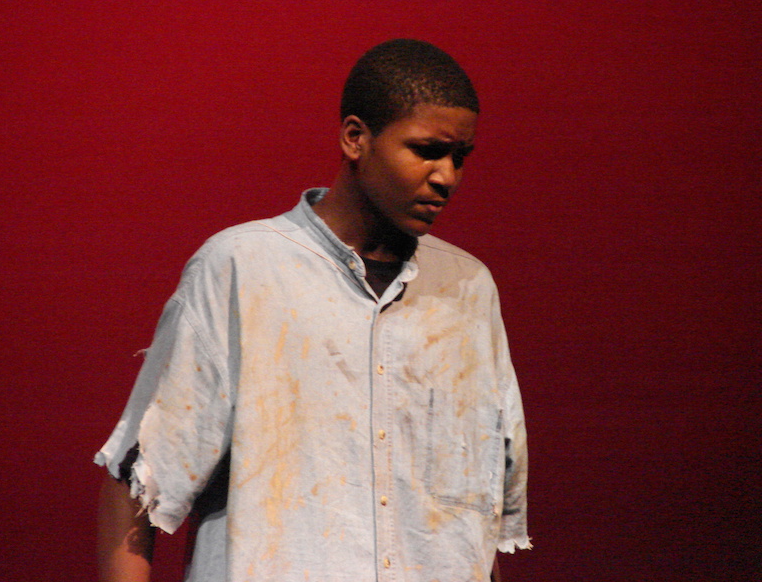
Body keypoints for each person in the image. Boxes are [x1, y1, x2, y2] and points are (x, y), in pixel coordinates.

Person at [96, 38, 530, 582]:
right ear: (356, 138)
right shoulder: (243, 270)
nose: (446, 176)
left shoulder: (468, 288)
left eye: (459, 157)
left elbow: (477, 520)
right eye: (425, 151)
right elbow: (139, 482)